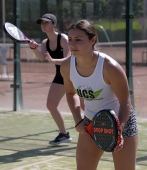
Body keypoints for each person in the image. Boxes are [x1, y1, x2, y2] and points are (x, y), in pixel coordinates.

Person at [60, 19, 138, 170]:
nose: (72, 44)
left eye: (78, 40)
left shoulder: (109, 67)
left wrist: (118, 130)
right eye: (69, 39)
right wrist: (78, 120)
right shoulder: (66, 66)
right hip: (91, 121)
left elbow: (125, 102)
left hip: (122, 121)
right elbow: (70, 93)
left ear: (92, 40)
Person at [29, 13, 72, 145]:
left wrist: (53, 60)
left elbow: (68, 60)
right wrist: (34, 48)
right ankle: (64, 134)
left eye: (46, 22)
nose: (43, 25)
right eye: (41, 23)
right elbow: (42, 57)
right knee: (51, 105)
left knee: (83, 106)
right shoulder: (45, 42)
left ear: (53, 24)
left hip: (74, 75)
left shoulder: (63, 38)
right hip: (60, 76)